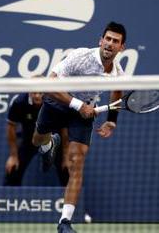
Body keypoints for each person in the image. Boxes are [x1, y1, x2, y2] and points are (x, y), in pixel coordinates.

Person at [32, 21, 126, 233]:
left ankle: (64, 222)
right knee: (37, 139)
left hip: (82, 114)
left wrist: (112, 120)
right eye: (108, 39)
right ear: (100, 41)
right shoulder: (81, 56)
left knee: (77, 160)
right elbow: (50, 83)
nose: (110, 44)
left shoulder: (117, 73)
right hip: (59, 100)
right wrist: (78, 104)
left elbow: (117, 93)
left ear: (122, 48)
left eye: (115, 41)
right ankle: (48, 146)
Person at [4, 92, 68, 186]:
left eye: (40, 93)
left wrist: (66, 157)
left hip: (53, 139)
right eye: (34, 93)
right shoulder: (19, 102)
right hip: (29, 140)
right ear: (29, 91)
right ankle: (8, 197)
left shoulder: (56, 101)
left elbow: (64, 129)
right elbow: (11, 126)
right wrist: (13, 156)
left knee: (67, 169)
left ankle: (70, 200)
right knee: (13, 168)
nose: (37, 96)